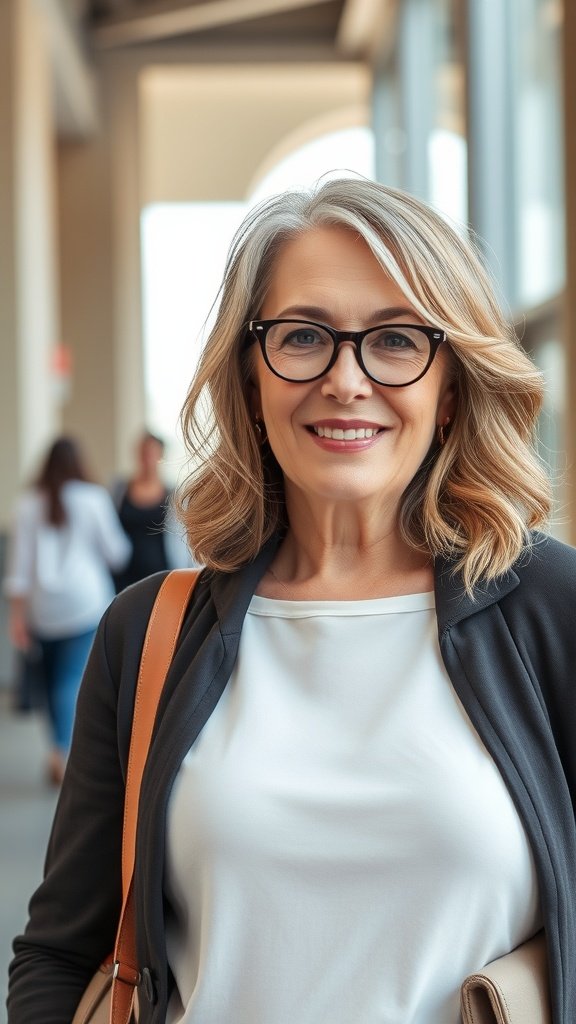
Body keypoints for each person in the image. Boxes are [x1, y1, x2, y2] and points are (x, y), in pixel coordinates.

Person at [6, 178, 576, 1024]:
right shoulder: (150, 632)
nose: (347, 381)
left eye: (395, 341)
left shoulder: (552, 610)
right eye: (304, 336)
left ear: (450, 387)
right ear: (251, 374)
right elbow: (61, 954)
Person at [3, 436, 131, 785]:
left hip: (42, 610)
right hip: (85, 605)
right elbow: (117, 552)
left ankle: (57, 750)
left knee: (49, 684)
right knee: (69, 680)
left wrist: (17, 617)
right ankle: (63, 753)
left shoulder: (28, 503)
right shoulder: (93, 498)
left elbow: (18, 569)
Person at [112, 430, 194, 592]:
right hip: (123, 577)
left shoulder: (174, 495)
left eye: (152, 453)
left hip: (162, 577)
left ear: (161, 456)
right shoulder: (119, 491)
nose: (147, 458)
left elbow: (183, 539)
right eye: (144, 453)